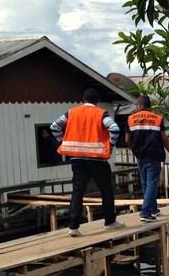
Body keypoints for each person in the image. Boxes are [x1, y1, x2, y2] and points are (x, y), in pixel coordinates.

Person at [51, 88, 125, 237]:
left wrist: (63, 141)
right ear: (97, 101)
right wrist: (109, 147)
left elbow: (54, 126)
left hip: (77, 159)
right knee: (106, 190)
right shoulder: (101, 113)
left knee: (78, 192)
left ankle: (73, 227)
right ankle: (110, 222)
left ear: (83, 99)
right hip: (96, 159)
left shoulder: (71, 112)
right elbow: (115, 129)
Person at [125, 95, 169, 223]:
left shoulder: (130, 119)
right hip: (154, 155)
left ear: (139, 106)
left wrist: (134, 150)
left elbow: (127, 139)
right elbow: (164, 138)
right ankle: (145, 212)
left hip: (140, 155)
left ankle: (153, 209)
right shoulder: (158, 118)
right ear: (149, 106)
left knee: (145, 183)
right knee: (152, 183)